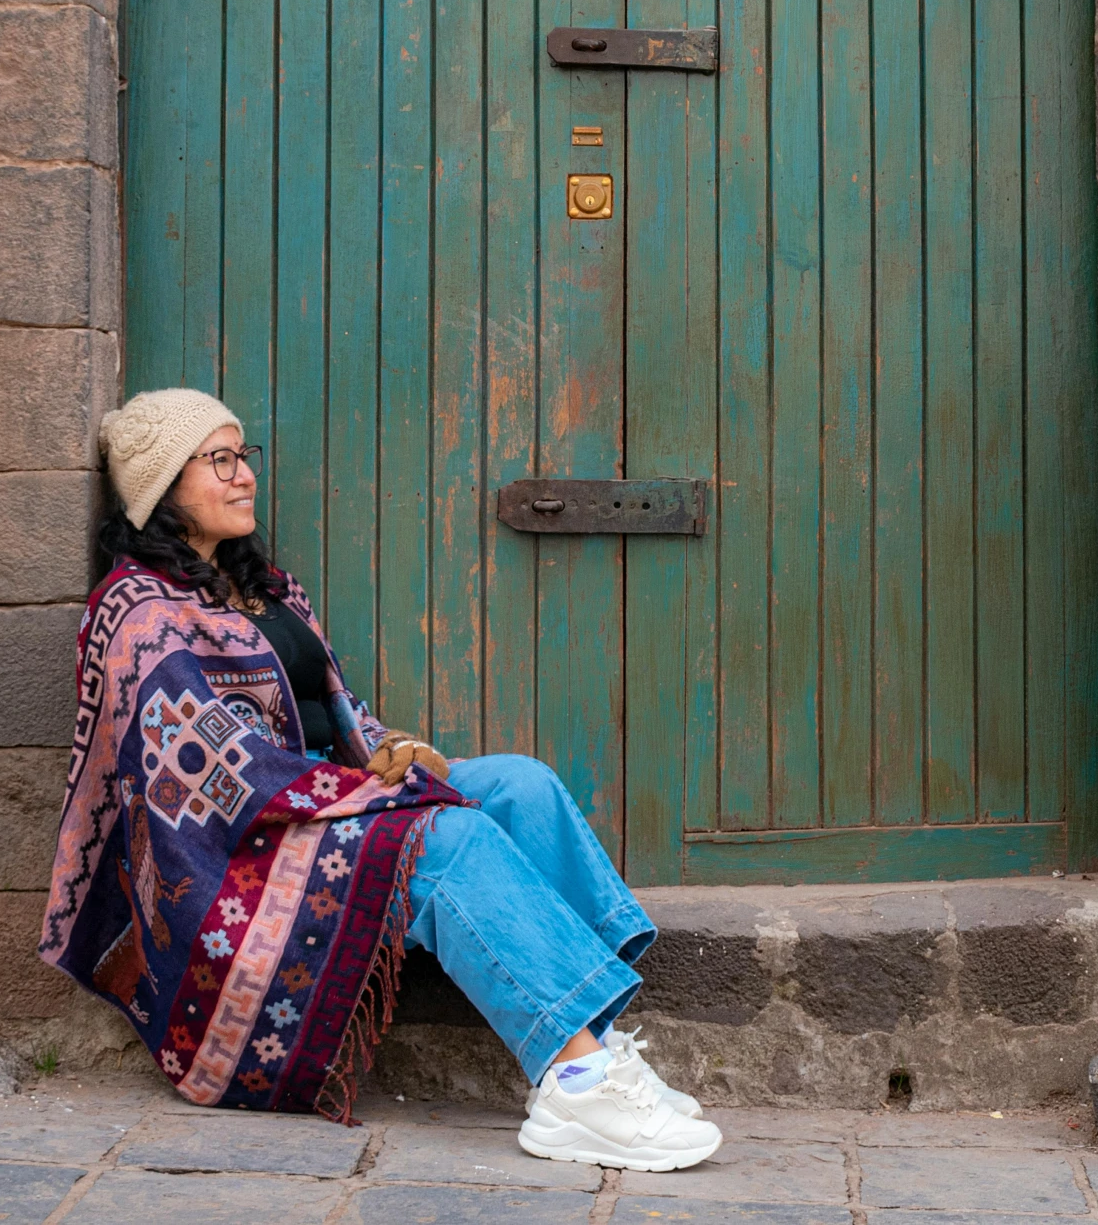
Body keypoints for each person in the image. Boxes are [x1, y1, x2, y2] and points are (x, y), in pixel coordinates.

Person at [42, 388, 719, 1170]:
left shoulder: (263, 588)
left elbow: (336, 710)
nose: (242, 476)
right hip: (247, 858)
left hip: (327, 800)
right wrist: (380, 798)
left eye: (243, 456)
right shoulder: (134, 610)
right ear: (161, 488)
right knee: (446, 837)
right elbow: (219, 770)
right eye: (217, 460)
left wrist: (395, 757)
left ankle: (596, 1051)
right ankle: (574, 1083)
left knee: (520, 786)